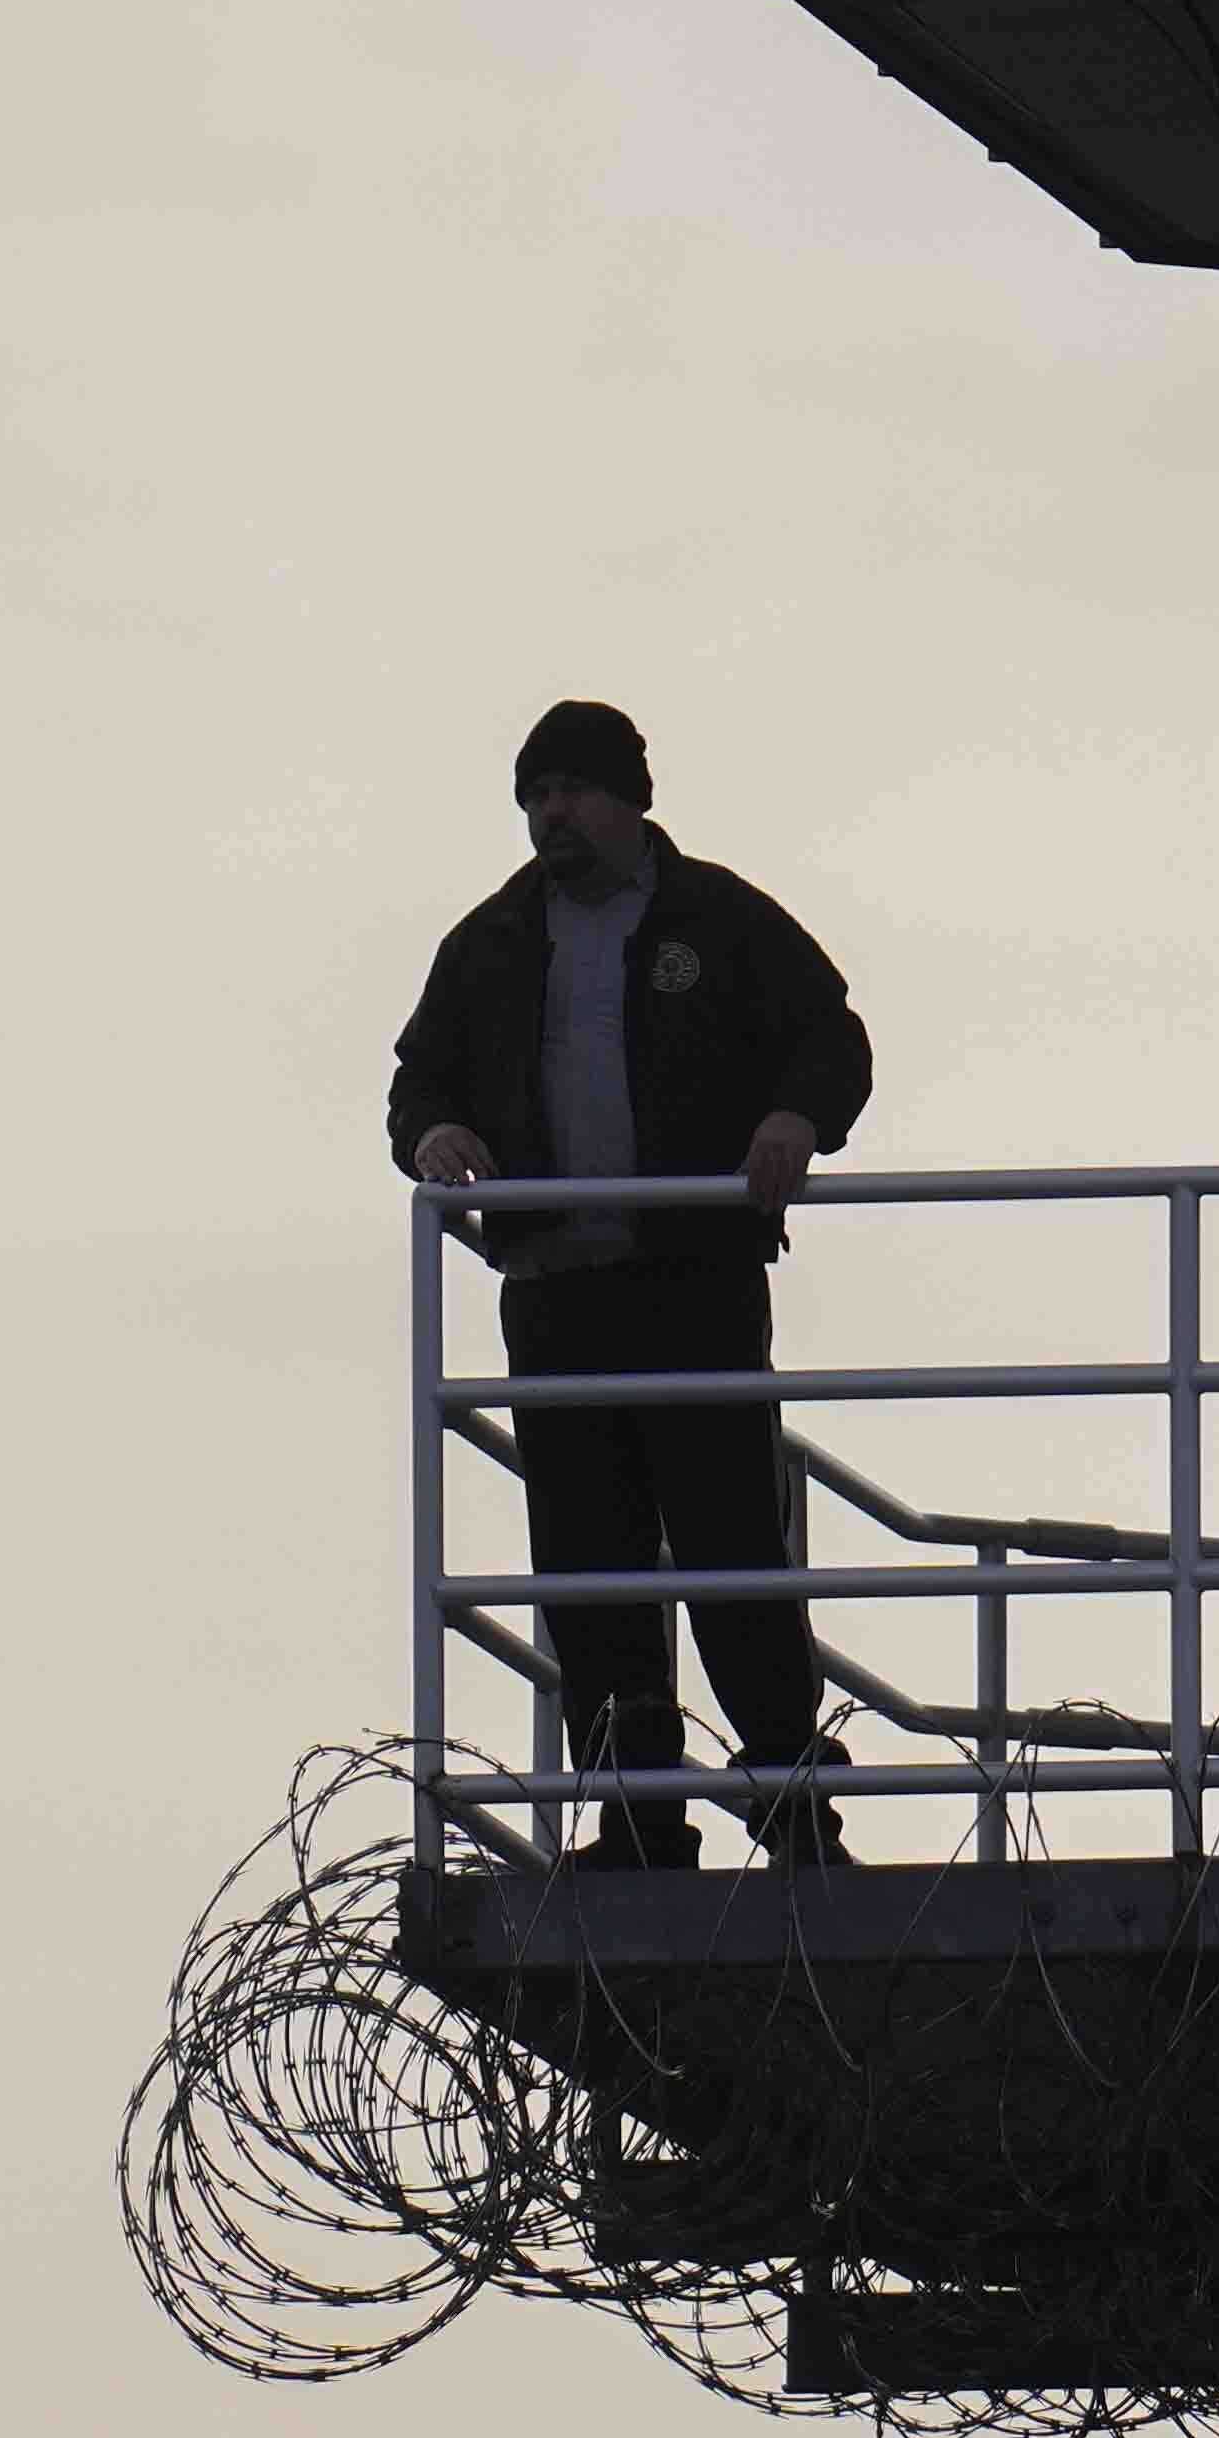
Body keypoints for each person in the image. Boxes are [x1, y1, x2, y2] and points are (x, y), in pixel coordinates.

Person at [384, 702, 878, 1868]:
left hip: (692, 1281)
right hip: (556, 1291)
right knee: (589, 1574)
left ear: (630, 797)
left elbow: (832, 1036)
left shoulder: (718, 916)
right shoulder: (492, 942)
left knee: (732, 1554)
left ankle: (794, 1809)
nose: (550, 813)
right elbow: (418, 1080)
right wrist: (437, 1133)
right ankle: (639, 1820)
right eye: (533, 794)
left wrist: (797, 1117)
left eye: (571, 789)